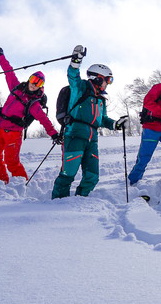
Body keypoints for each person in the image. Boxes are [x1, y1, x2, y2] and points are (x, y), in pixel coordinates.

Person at [53, 47, 127, 198]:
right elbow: (72, 76)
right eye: (108, 80)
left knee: (92, 176)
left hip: (92, 139)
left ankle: (81, 200)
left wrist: (116, 124)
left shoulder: (101, 100)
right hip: (75, 134)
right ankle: (58, 204)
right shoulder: (80, 88)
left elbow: (103, 120)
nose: (109, 84)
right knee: (68, 173)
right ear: (99, 77)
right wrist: (76, 61)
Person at [0, 47, 61, 183]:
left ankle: (20, 183)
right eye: (33, 80)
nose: (34, 84)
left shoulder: (34, 104)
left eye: (39, 83)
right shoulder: (16, 87)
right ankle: (0, 182)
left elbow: (44, 120)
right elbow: (8, 71)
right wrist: (0, 57)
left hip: (14, 134)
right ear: (29, 79)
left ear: (41, 86)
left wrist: (54, 134)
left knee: (11, 162)